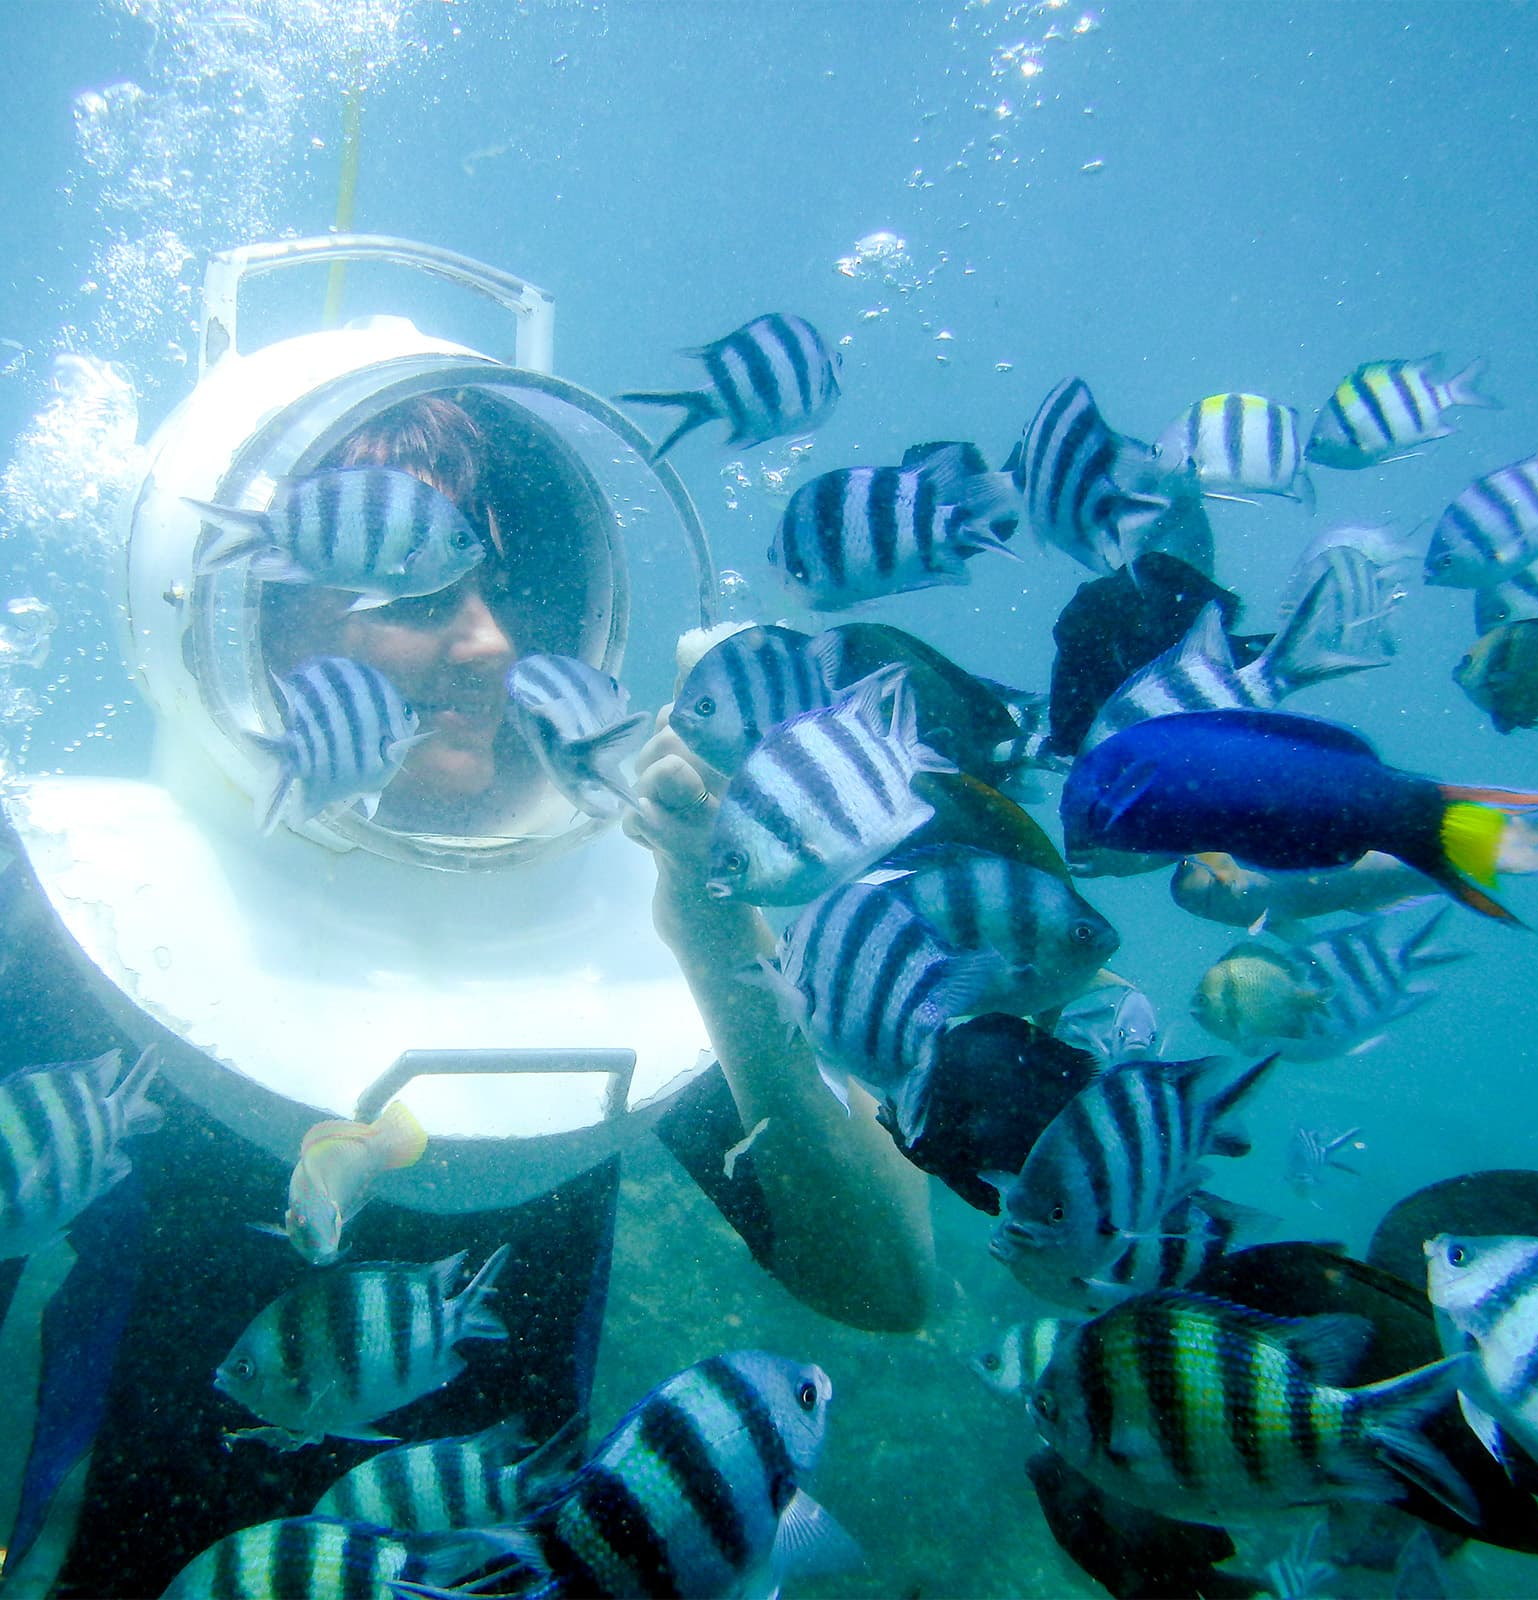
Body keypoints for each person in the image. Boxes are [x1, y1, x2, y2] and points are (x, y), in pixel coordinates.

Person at [0, 383, 933, 1595]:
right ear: (253, 617)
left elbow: (884, 1281)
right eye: (424, 594)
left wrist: (715, 935)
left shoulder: (632, 913)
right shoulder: (90, 907)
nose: (493, 643)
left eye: (510, 593)